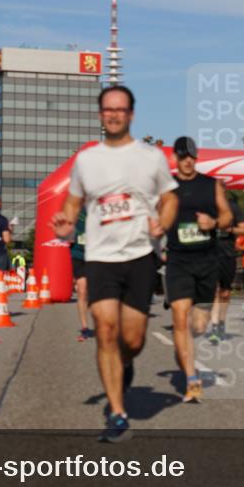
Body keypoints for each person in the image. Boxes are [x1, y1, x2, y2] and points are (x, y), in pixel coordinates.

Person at [53, 85, 178, 443]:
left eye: (121, 109)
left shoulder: (151, 157)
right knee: (105, 328)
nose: (114, 114)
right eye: (108, 109)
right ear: (100, 115)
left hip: (140, 255)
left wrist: (163, 222)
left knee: (133, 339)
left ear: (131, 114)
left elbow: (169, 199)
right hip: (101, 257)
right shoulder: (86, 161)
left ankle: (126, 363)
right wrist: (65, 222)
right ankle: (118, 413)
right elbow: (73, 205)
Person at [166, 136, 232, 402]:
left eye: (191, 155)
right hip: (178, 260)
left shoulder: (211, 185)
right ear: (176, 158)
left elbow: (227, 216)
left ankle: (184, 348)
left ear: (196, 157)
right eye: (182, 156)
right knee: (180, 318)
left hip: (206, 261)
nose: (187, 160)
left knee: (200, 326)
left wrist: (213, 222)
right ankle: (192, 380)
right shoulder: (166, 186)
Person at [209, 193, 244, 344]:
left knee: (225, 292)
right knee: (214, 291)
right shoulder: (207, 206)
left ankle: (221, 323)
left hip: (228, 254)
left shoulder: (233, 208)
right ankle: (214, 327)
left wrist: (230, 229)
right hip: (210, 254)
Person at [70, 209, 92, 341]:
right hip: (78, 254)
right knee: (82, 290)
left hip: (97, 254)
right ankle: (85, 328)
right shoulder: (75, 210)